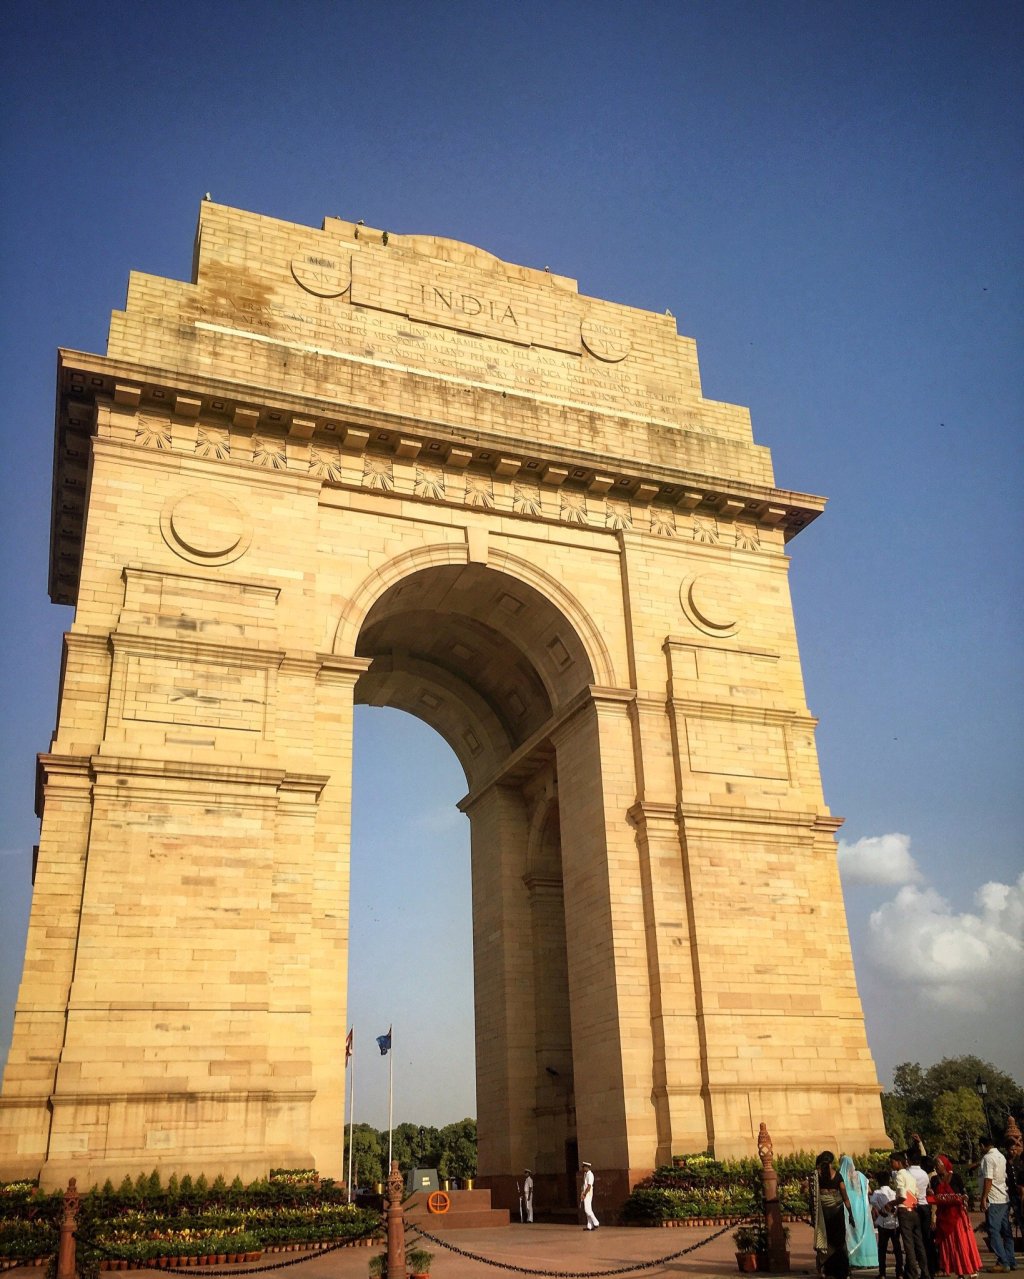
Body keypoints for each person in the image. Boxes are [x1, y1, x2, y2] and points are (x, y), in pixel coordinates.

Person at [932, 1153, 981, 1279]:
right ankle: (959, 1272)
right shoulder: (934, 1180)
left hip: (957, 1216)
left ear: (945, 1165)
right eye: (935, 1165)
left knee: (962, 1243)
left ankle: (971, 1269)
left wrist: (961, 1199)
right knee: (951, 1245)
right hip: (944, 1217)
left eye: (938, 1165)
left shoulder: (955, 1177)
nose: (936, 1167)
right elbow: (934, 1197)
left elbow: (964, 1195)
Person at [812, 1151, 856, 1278]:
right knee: (840, 1241)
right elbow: (845, 1197)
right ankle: (843, 1270)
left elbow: (809, 1191)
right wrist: (851, 1215)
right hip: (837, 1213)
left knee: (826, 1240)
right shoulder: (837, 1176)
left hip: (824, 1214)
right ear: (831, 1162)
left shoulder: (817, 1176)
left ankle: (826, 1270)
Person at [978, 1137, 1017, 1273]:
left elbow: (988, 1179)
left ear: (982, 1146)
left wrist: (984, 1198)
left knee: (993, 1230)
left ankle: (1003, 1261)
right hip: (1003, 1197)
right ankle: (1011, 1260)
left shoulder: (988, 1158)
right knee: (1006, 1231)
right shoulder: (1000, 1156)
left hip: (994, 1199)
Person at [891, 1150, 931, 1279]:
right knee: (919, 1243)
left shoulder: (900, 1175)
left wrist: (890, 1204)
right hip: (914, 1209)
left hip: (904, 1211)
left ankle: (912, 1273)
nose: (891, 1165)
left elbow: (902, 1196)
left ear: (898, 1162)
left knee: (909, 1245)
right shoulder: (910, 1176)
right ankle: (925, 1273)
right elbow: (917, 1194)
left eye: (892, 1162)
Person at [841, 1155, 880, 1269]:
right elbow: (869, 1191)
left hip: (848, 1209)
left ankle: (853, 1260)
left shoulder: (841, 1176)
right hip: (861, 1209)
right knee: (863, 1231)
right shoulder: (861, 1176)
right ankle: (866, 1260)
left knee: (851, 1232)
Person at [871, 1176, 904, 1279]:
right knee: (897, 1248)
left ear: (878, 1182)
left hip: (883, 1223)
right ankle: (899, 1273)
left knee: (882, 1249)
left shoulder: (877, 1192)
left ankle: (882, 1273)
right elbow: (899, 1204)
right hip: (895, 1223)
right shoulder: (894, 1192)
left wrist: (880, 1209)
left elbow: (872, 1201)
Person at [580, 1161, 599, 1230]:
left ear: (587, 1167)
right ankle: (589, 1226)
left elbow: (589, 1186)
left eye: (584, 1167)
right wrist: (582, 1192)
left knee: (587, 1210)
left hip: (588, 1193)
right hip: (585, 1193)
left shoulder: (590, 1175)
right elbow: (584, 1185)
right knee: (588, 1209)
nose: (583, 1168)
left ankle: (596, 1222)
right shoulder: (586, 1174)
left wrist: (585, 1194)